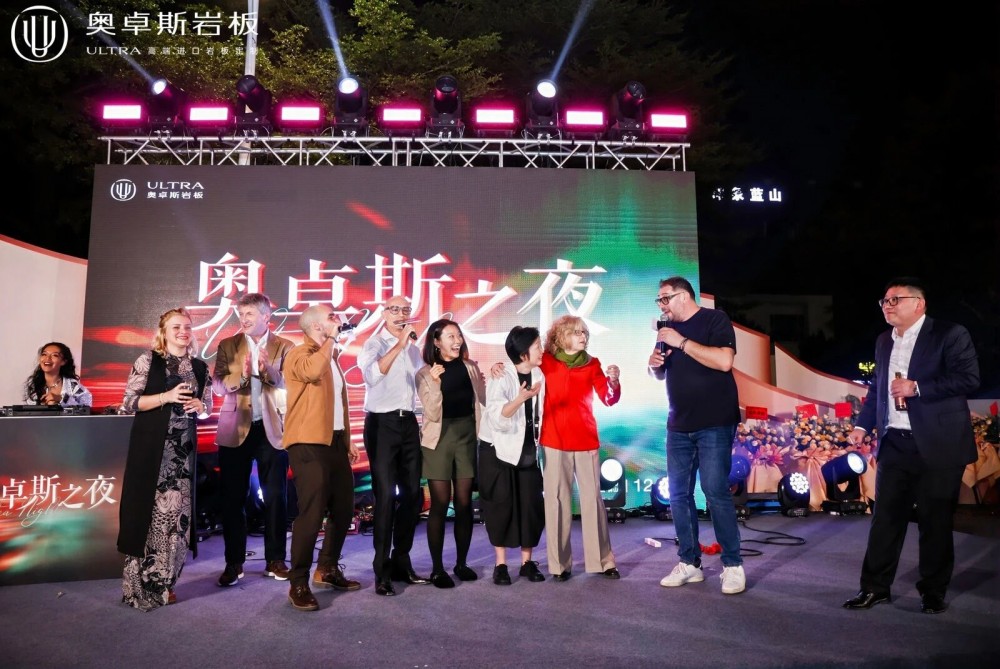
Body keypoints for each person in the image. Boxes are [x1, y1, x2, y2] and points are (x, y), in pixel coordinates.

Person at [843, 277, 979, 615]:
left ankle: (933, 591)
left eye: (896, 299)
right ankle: (874, 588)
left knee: (935, 522)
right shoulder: (883, 341)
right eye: (884, 301)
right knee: (885, 519)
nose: (887, 306)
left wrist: (916, 388)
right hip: (895, 443)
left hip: (938, 444)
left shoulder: (950, 334)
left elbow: (968, 378)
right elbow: (878, 388)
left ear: (919, 304)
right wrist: (862, 426)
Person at [648, 277, 746, 595]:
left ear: (684, 296)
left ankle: (732, 565)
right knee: (678, 495)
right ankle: (689, 562)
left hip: (715, 422)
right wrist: (654, 365)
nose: (662, 305)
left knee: (715, 491)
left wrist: (681, 343)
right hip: (678, 423)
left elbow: (724, 361)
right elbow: (660, 372)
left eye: (665, 298)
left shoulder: (714, 319)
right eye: (659, 300)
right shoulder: (667, 331)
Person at [117, 308, 213, 611]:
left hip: (183, 455)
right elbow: (129, 402)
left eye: (187, 327)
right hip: (151, 451)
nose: (183, 332)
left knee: (177, 522)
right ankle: (140, 585)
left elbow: (208, 407)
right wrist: (166, 397)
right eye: (176, 327)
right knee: (148, 517)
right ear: (164, 332)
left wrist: (201, 407)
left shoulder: (199, 366)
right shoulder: (148, 361)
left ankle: (166, 583)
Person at [281, 304, 362, 612]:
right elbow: (312, 371)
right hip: (307, 443)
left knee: (343, 509)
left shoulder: (331, 356)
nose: (337, 320)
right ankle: (298, 582)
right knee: (312, 513)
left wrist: (347, 440)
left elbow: (339, 403)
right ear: (315, 326)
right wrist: (331, 339)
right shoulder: (298, 354)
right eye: (331, 317)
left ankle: (327, 568)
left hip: (334, 442)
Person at [212, 293, 295, 587]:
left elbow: (289, 382)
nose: (243, 319)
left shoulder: (285, 345)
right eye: (241, 314)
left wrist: (267, 370)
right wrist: (244, 377)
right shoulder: (228, 345)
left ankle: (276, 559)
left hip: (272, 428)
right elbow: (218, 385)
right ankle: (234, 562)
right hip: (235, 428)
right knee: (233, 497)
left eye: (249, 314)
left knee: (276, 496)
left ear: (266, 317)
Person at [539, 315, 621, 581]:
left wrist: (613, 382)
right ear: (561, 336)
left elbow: (608, 399)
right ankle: (559, 566)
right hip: (554, 440)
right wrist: (499, 367)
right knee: (556, 501)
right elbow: (521, 365)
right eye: (576, 332)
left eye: (584, 332)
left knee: (592, 500)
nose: (583, 336)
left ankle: (603, 561)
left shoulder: (592, 364)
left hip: (585, 439)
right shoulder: (546, 361)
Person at [357, 295, 429, 596]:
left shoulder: (413, 349)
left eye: (406, 309)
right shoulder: (373, 344)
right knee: (385, 496)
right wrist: (399, 344)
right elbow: (372, 376)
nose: (401, 314)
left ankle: (401, 559)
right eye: (395, 309)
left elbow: (424, 381)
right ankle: (382, 569)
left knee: (412, 495)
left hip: (408, 423)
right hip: (381, 425)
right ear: (384, 313)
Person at [414, 319, 486, 588]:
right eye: (450, 337)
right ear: (436, 342)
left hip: (466, 435)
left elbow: (482, 401)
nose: (457, 341)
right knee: (441, 503)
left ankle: (461, 563)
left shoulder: (470, 367)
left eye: (459, 336)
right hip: (438, 439)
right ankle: (437, 569)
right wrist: (435, 382)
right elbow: (432, 413)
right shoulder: (424, 373)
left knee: (465, 503)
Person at [478, 326, 546, 586]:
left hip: (528, 449)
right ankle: (501, 565)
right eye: (537, 346)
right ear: (523, 352)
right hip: (497, 450)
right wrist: (520, 398)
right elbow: (497, 417)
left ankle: (527, 563)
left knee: (530, 506)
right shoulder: (501, 376)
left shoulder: (540, 373)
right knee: (500, 507)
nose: (541, 350)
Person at [22, 342, 92, 407]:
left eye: (55, 355)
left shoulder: (73, 386)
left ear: (63, 361)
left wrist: (62, 399)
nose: (47, 358)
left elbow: (86, 408)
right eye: (44, 354)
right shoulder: (32, 384)